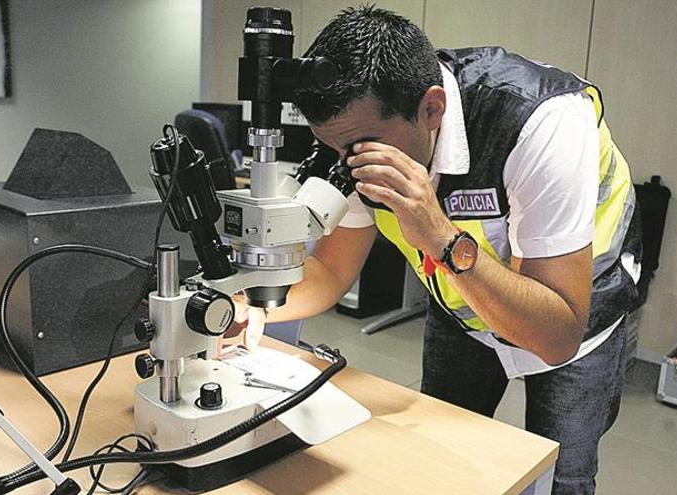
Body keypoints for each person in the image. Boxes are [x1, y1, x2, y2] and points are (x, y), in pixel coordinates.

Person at [234, 6, 641, 494]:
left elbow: (556, 334)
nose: (349, 165)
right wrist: (251, 303)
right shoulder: (355, 139)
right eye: (335, 149)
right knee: (439, 468)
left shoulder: (542, 120)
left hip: (578, 315)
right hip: (463, 309)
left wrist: (440, 237)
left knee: (562, 480)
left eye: (362, 147)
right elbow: (328, 270)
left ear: (431, 109)